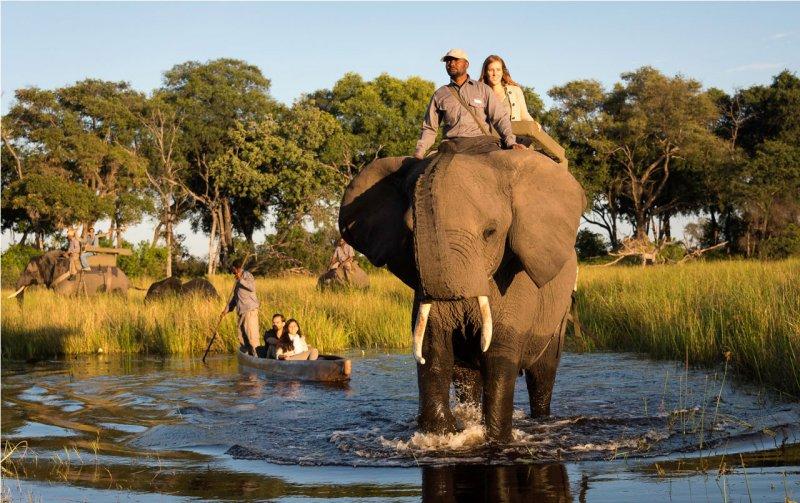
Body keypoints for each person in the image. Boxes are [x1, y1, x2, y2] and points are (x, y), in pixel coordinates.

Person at [413, 48, 527, 160]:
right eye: (448, 61)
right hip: (452, 146)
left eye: (456, 60)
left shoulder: (483, 89)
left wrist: (511, 143)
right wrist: (420, 152)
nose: (451, 64)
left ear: (466, 64)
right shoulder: (440, 94)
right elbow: (429, 128)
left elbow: (500, 118)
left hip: (482, 144)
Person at [480, 55, 542, 148]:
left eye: (498, 70)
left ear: (502, 72)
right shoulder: (480, 94)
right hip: (492, 142)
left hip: (516, 140)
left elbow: (524, 115)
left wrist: (533, 123)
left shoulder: (515, 91)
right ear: (485, 73)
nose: (495, 73)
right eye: (491, 70)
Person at [220, 258, 260, 357]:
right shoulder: (237, 280)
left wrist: (241, 279)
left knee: (252, 337)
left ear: (236, 268)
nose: (232, 271)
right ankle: (247, 357)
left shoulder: (247, 275)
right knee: (241, 336)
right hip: (241, 312)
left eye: (232, 269)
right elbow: (235, 298)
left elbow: (252, 287)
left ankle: (257, 358)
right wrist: (226, 310)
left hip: (250, 311)